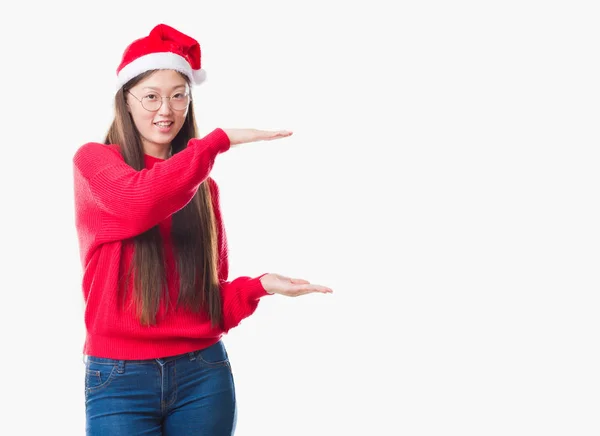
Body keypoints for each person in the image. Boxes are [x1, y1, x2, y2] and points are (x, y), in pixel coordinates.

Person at [72, 23, 333, 436]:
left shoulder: (203, 187)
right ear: (126, 99)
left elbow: (207, 305)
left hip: (203, 375)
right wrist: (217, 141)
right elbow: (138, 202)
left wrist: (260, 286)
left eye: (179, 96)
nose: (166, 110)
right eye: (152, 96)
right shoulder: (95, 163)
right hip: (119, 380)